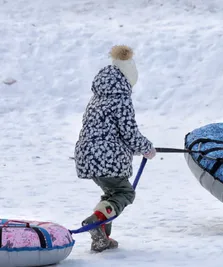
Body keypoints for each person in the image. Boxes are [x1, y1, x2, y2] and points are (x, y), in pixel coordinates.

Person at [74, 45, 156, 252]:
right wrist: (146, 148)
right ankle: (95, 221)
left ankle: (101, 237)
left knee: (111, 194)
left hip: (87, 156)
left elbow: (110, 131)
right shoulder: (121, 99)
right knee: (124, 193)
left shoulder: (98, 98)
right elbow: (128, 132)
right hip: (107, 158)